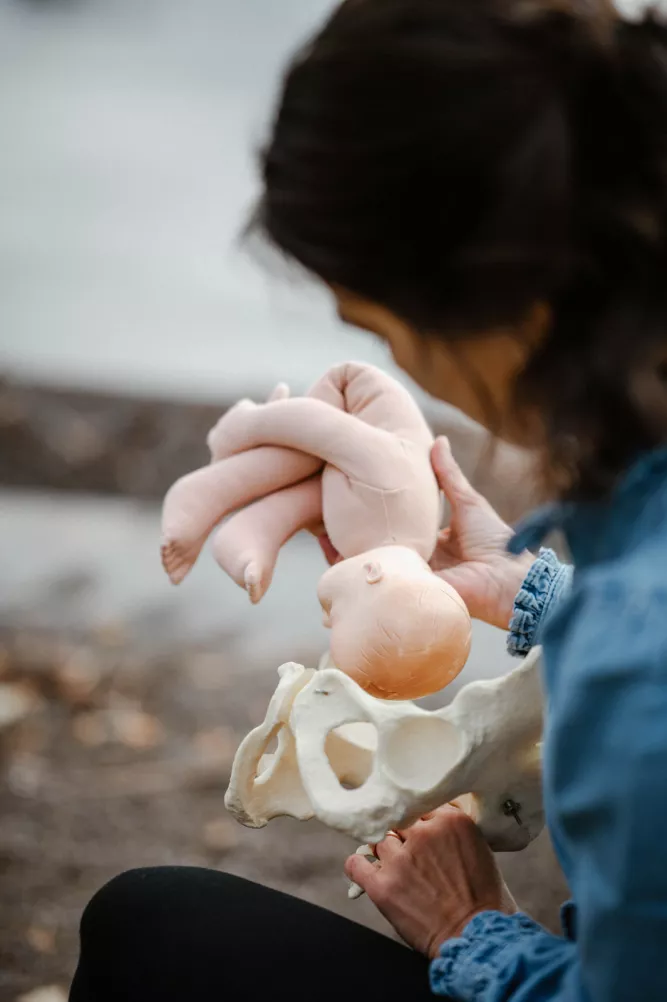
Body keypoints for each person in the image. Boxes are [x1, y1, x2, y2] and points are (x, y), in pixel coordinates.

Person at [69, 0, 667, 998]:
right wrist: (526, 592)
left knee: (151, 928)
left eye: (378, 324)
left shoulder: (632, 657)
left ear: (496, 294)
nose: (404, 367)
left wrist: (471, 932)